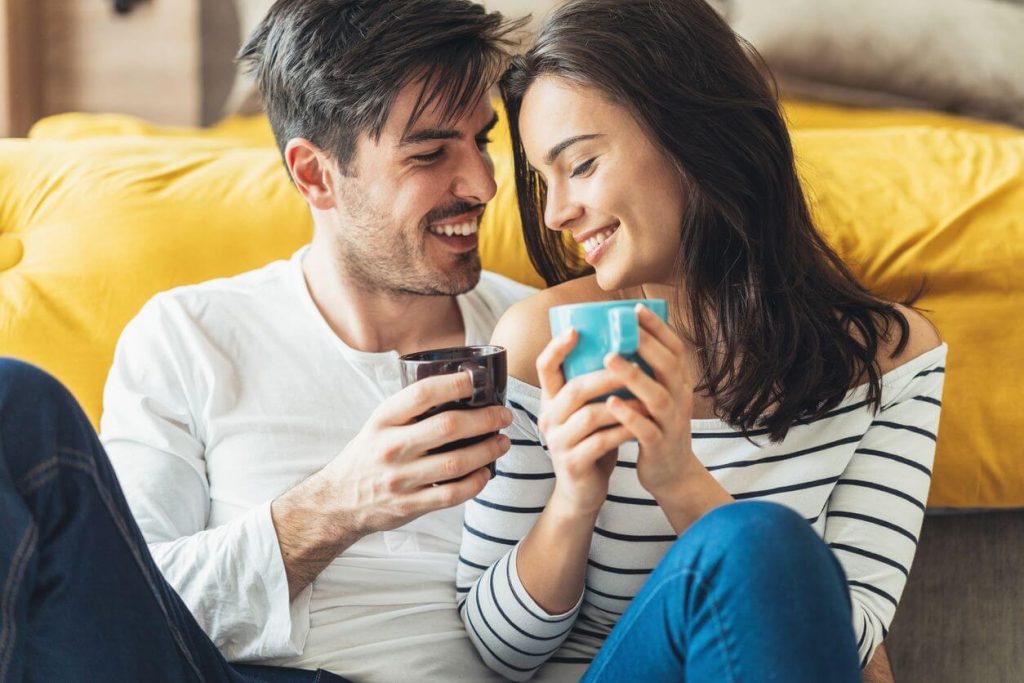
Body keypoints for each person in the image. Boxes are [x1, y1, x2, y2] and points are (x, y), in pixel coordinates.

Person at [0, 1, 535, 681]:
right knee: (12, 400)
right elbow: (124, 593)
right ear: (315, 174)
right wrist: (339, 503)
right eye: (430, 154)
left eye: (482, 141)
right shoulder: (190, 336)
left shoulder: (540, 334)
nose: (484, 185)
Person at [457, 1, 945, 681]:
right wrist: (573, 498)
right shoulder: (548, 341)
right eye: (545, 178)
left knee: (759, 542)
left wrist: (679, 480)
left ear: (694, 133)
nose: (556, 211)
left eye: (583, 164)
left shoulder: (893, 360)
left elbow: (848, 637)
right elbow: (498, 651)